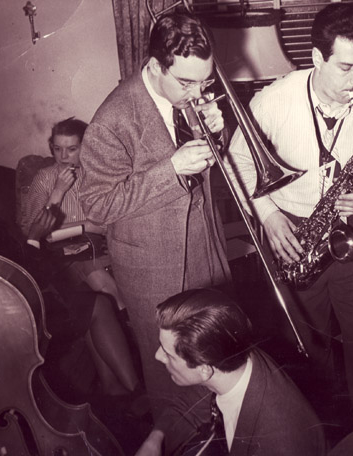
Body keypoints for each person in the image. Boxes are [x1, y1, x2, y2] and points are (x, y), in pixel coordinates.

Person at [224, 3, 353, 425]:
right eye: (346, 67)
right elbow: (236, 163)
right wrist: (268, 214)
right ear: (316, 58)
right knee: (305, 352)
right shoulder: (272, 101)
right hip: (290, 231)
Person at [79, 13, 231, 423]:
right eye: (186, 83)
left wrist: (217, 134)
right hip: (154, 268)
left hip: (206, 250)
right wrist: (172, 169)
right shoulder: (113, 120)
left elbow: (205, 166)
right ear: (156, 65)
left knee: (215, 362)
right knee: (173, 382)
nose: (198, 93)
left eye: (205, 81)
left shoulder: (190, 94)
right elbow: (97, 204)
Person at [136, 288, 326, 456]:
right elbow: (189, 404)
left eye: (168, 354)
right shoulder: (227, 359)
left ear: (204, 370)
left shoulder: (278, 441)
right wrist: (155, 440)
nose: (158, 356)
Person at [0, 211, 141, 398]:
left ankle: (113, 386)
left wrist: (38, 241)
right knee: (97, 304)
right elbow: (23, 279)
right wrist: (34, 238)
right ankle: (133, 388)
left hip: (19, 311)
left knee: (91, 303)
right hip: (18, 325)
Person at [22, 117, 124, 310]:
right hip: (63, 253)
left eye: (71, 149)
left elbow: (110, 221)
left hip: (100, 245)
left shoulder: (98, 174)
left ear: (85, 148)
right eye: (57, 148)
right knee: (100, 279)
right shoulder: (44, 178)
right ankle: (124, 318)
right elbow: (32, 231)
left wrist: (81, 227)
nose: (63, 156)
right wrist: (58, 191)